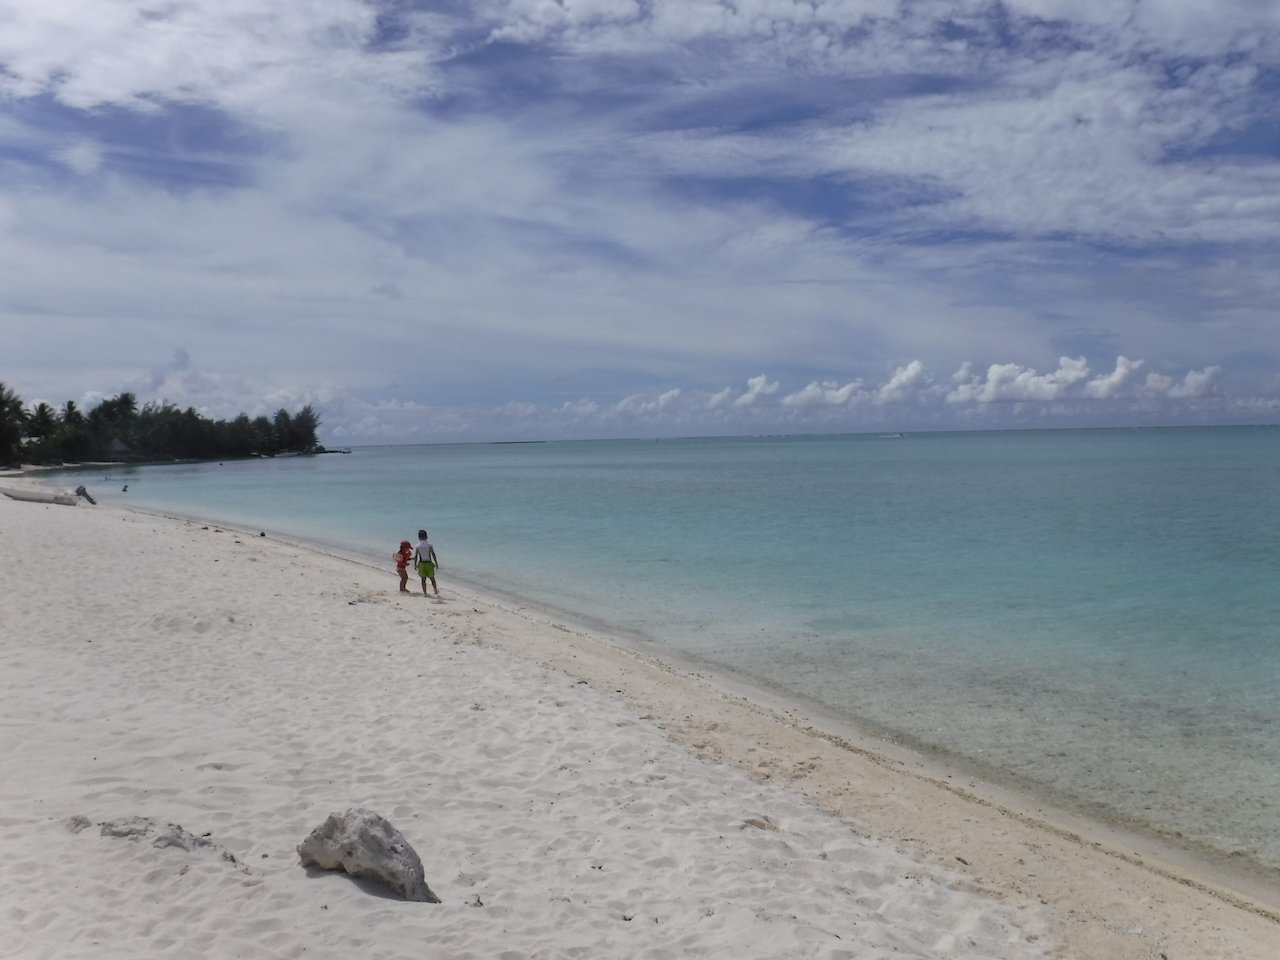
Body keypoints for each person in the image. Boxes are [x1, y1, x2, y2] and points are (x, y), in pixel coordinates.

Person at [414, 529, 439, 596]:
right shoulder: (429, 545)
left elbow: (416, 556)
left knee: (423, 579)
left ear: (419, 537)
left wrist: (415, 564)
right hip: (429, 563)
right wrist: (436, 563)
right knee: (432, 578)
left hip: (421, 563)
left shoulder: (417, 546)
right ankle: (435, 590)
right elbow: (433, 554)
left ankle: (425, 592)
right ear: (426, 537)